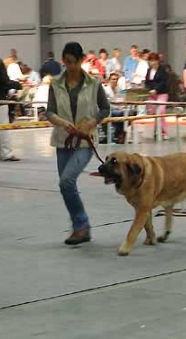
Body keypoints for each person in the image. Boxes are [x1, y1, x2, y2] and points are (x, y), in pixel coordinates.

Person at [46, 42, 110, 245]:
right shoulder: (55, 84)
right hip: (62, 140)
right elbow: (49, 112)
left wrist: (91, 123)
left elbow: (105, 108)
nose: (70, 66)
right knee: (66, 186)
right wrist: (63, 123)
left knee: (66, 180)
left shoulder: (94, 83)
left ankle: (81, 226)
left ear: (81, 60)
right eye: (66, 62)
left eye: (73, 62)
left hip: (85, 142)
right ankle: (80, 227)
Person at [145, 52, 170, 140]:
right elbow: (147, 82)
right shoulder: (149, 70)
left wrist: (156, 90)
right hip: (151, 94)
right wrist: (148, 90)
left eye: (154, 60)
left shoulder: (162, 70)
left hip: (162, 93)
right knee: (154, 113)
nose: (153, 62)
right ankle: (157, 131)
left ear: (157, 60)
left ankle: (164, 132)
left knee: (161, 111)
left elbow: (163, 82)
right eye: (151, 60)